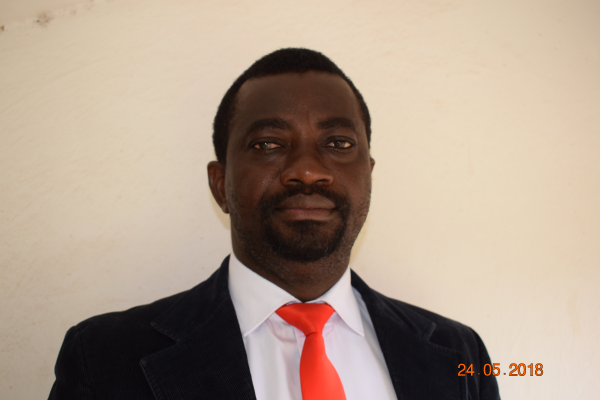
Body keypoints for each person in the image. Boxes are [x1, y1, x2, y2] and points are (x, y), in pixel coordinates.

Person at [49, 48, 500, 400]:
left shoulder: (462, 354)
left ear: (369, 175)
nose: (307, 170)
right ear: (220, 185)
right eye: (268, 144)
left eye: (338, 143)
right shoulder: (103, 358)